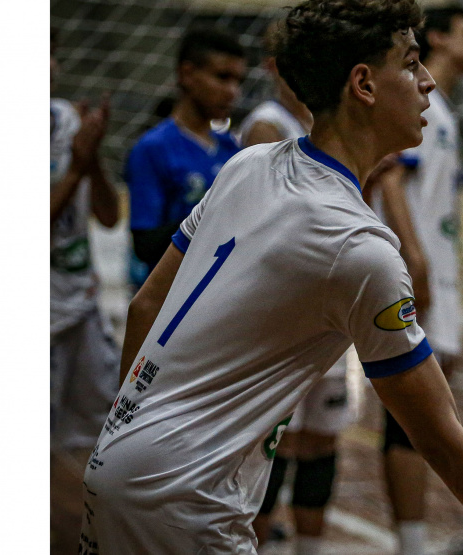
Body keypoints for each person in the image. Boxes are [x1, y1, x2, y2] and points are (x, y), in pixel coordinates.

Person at [79, 2, 463, 554]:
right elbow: (440, 439)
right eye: (410, 63)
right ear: (364, 84)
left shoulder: (246, 165)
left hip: (117, 459)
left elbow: (145, 308)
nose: (428, 82)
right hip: (185, 499)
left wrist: (130, 432)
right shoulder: (361, 248)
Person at [366, 4, 463, 554]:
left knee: (434, 409)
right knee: (416, 408)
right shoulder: (420, 103)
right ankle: (410, 542)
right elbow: (389, 174)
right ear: (437, 37)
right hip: (417, 270)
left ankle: (415, 537)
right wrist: (414, 256)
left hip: (435, 267)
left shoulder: (446, 110)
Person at [238, 22, 350, 555]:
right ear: (275, 66)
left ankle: (310, 548)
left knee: (323, 438)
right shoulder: (266, 124)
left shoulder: (335, 124)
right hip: (280, 312)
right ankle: (261, 545)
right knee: (275, 444)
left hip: (328, 305)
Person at [50, 29, 120, 555]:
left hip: (82, 305)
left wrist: (92, 156)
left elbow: (107, 213)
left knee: (112, 435)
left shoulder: (65, 119)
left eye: (51, 53)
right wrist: (76, 164)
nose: (49, 65)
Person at [125, 26, 246, 278]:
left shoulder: (231, 147)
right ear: (187, 74)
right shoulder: (154, 147)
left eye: (238, 81)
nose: (233, 91)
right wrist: (211, 213)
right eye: (223, 77)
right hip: (172, 298)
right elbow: (145, 245)